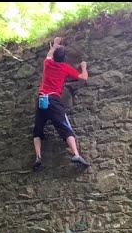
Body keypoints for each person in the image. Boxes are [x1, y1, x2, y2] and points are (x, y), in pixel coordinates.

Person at [32, 36, 89, 171]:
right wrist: (83, 67)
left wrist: (56, 44)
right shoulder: (65, 68)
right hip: (53, 100)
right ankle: (76, 154)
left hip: (41, 100)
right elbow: (83, 77)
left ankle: (38, 156)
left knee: (37, 129)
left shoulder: (47, 63)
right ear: (63, 58)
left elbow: (49, 54)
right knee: (65, 127)